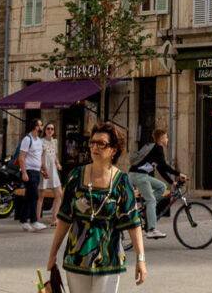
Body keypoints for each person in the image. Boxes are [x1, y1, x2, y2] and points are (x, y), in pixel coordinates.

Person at [46, 121, 146, 292]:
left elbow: (133, 222)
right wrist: (52, 253)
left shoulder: (122, 181)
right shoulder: (76, 176)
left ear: (113, 150)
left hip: (108, 257)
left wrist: (140, 259)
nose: (95, 147)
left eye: (101, 144)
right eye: (92, 142)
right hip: (76, 256)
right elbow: (64, 219)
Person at [129, 127, 184, 240]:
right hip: (138, 176)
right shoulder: (157, 148)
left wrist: (171, 182)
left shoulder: (155, 149)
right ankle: (151, 229)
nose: (168, 139)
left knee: (162, 187)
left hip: (140, 175)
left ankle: (147, 209)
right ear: (162, 138)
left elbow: (160, 169)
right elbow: (164, 166)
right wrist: (179, 174)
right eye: (166, 137)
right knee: (151, 200)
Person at [17, 117, 47, 232]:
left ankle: (24, 220)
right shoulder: (27, 139)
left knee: (29, 196)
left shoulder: (39, 140)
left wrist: (43, 170)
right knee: (34, 195)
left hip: (36, 171)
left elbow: (39, 157)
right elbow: (21, 157)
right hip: (29, 171)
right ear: (36, 127)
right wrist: (24, 172)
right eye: (40, 125)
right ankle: (33, 221)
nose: (42, 127)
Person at [40, 123, 63, 223]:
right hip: (44, 170)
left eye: (52, 129)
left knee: (59, 194)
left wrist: (58, 163)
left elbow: (54, 154)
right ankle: (36, 220)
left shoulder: (54, 141)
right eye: (48, 128)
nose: (50, 130)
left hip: (53, 169)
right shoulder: (41, 142)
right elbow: (40, 156)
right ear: (45, 130)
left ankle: (54, 218)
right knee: (41, 196)